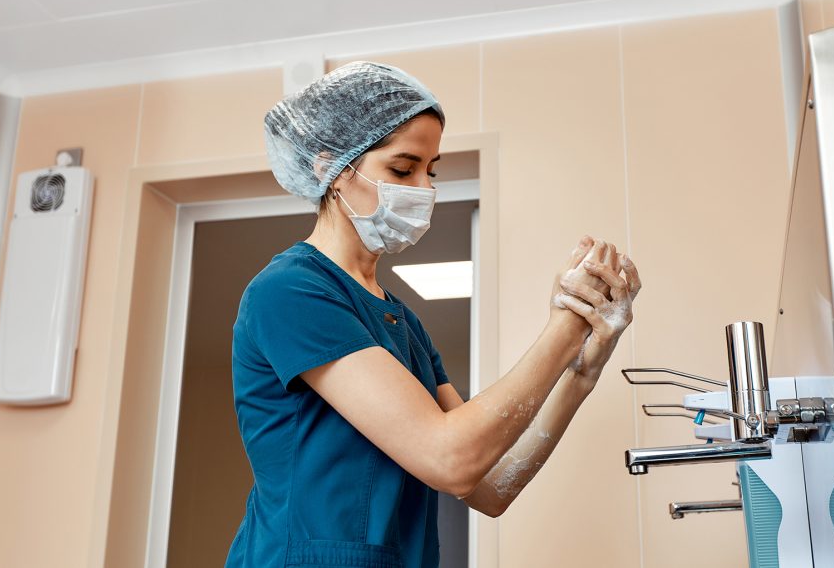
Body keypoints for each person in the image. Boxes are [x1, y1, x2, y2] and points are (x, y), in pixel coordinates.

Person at [226, 61, 641, 568]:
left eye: (432, 170)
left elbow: (491, 486)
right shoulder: (291, 292)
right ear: (329, 167)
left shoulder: (401, 321)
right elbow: (450, 459)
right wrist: (568, 321)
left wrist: (580, 372)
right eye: (403, 170)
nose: (423, 188)